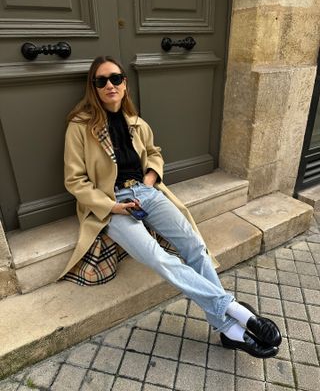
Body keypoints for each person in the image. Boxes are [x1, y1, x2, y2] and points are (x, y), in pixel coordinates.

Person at [62, 55, 282, 359]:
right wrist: (113, 207)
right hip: (110, 203)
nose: (109, 85)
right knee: (158, 257)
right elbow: (75, 181)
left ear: (125, 84)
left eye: (115, 78)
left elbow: (154, 153)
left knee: (194, 244)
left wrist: (150, 179)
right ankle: (235, 314)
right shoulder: (80, 127)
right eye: (101, 81)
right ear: (94, 87)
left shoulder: (136, 123)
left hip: (145, 192)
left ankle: (229, 328)